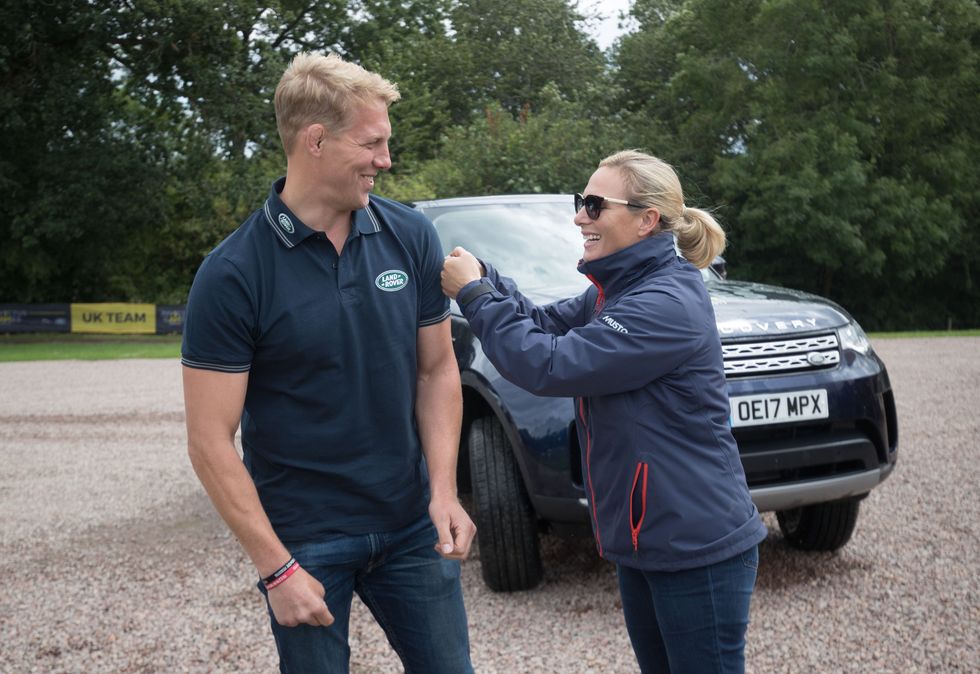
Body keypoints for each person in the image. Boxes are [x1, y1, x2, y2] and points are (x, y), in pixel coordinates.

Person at [181, 52, 475, 673]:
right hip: (304, 543)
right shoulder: (232, 274)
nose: (386, 160)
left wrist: (444, 492)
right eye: (372, 143)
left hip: (409, 529)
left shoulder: (410, 235)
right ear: (315, 141)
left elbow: (437, 370)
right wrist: (275, 567)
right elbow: (210, 440)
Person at [441, 150, 767, 674]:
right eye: (580, 202)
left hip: (696, 544)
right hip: (649, 537)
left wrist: (475, 296)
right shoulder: (618, 292)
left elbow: (548, 365)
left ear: (646, 220)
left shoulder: (664, 302)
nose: (578, 217)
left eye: (594, 205)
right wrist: (488, 277)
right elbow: (542, 322)